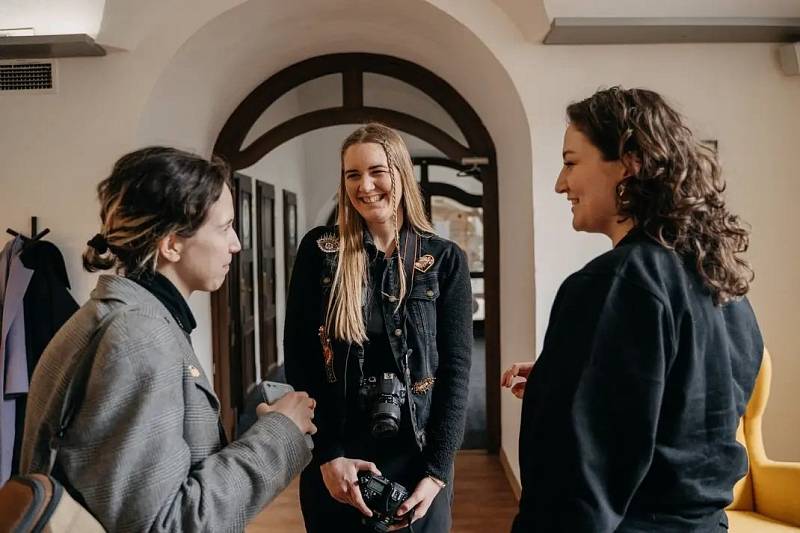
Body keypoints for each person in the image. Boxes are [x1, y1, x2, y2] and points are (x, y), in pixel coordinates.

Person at [502, 87, 763, 532]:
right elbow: (678, 407)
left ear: (627, 164)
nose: (560, 183)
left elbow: (576, 482)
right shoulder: (722, 283)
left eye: (570, 162)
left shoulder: (613, 282)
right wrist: (560, 380)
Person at [20, 147, 317, 532]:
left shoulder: (127, 315)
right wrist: (279, 435)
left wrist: (260, 430)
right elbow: (166, 524)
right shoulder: (138, 338)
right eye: (225, 227)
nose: (237, 244)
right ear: (171, 243)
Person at [284, 123, 472, 532]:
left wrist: (438, 471)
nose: (365, 186)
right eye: (352, 175)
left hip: (418, 458)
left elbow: (455, 374)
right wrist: (327, 456)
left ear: (400, 173)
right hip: (339, 457)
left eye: (376, 171)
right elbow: (300, 362)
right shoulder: (320, 252)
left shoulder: (444, 260)